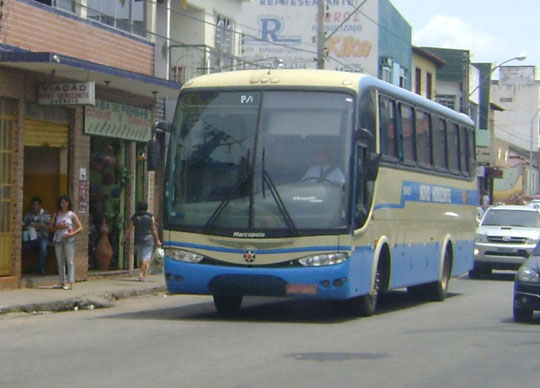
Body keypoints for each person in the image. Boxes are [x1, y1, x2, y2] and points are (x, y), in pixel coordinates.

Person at [49, 195, 83, 290]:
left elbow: (80, 228)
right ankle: (61, 281)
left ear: (69, 203)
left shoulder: (71, 214)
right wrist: (58, 227)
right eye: (62, 202)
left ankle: (70, 282)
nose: (64, 204)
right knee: (60, 261)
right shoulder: (56, 214)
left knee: (70, 261)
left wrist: (71, 234)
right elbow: (50, 227)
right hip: (58, 239)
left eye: (66, 202)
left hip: (69, 240)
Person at [122, 201, 162, 281]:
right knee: (146, 257)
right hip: (148, 238)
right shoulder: (150, 217)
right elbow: (153, 229)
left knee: (141, 257)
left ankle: (143, 274)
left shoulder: (134, 217)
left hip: (138, 239)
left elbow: (129, 229)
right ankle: (141, 274)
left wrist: (124, 239)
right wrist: (157, 240)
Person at [22, 197, 51, 275]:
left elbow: (49, 227)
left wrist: (39, 225)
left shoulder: (46, 214)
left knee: (43, 247)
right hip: (30, 236)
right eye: (33, 205)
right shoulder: (29, 214)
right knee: (22, 247)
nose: (34, 207)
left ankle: (41, 269)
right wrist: (28, 225)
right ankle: (24, 268)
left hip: (42, 236)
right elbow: (23, 224)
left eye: (36, 205)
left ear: (40, 205)